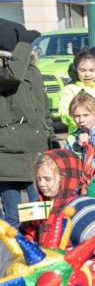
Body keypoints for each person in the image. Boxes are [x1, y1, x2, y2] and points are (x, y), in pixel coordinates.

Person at [0, 20, 50, 229]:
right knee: (13, 217)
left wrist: (51, 139)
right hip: (8, 155)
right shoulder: (9, 73)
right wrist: (24, 44)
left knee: (40, 214)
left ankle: (41, 256)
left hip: (35, 150)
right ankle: (10, 259)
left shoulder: (32, 71)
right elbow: (11, 76)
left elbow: (42, 109)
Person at [22, 148, 83, 246]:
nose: (41, 184)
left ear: (65, 178)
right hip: (43, 257)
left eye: (47, 179)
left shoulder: (75, 206)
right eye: (39, 179)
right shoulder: (40, 204)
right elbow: (29, 231)